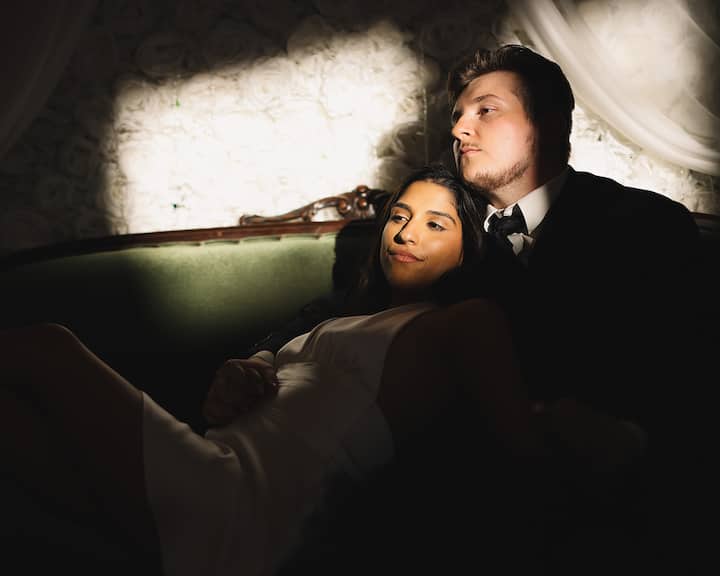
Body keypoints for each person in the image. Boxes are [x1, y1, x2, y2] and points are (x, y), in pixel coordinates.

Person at [253, 44, 709, 575]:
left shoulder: (641, 224)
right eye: (457, 116)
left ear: (550, 123)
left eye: (486, 110)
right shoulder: (439, 219)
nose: (459, 129)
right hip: (429, 494)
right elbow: (353, 304)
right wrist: (259, 358)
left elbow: (684, 377)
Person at [1, 164, 532, 576]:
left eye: (435, 224)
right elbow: (258, 377)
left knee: (49, 346)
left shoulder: (462, 321)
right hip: (212, 463)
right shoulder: (337, 316)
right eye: (399, 216)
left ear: (467, 250)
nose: (406, 234)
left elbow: (520, 452)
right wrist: (241, 374)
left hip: (244, 508)